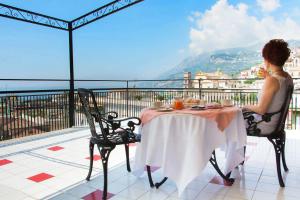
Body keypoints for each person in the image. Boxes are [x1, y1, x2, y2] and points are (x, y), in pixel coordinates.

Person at [243, 39, 294, 134]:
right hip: (276, 124)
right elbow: (277, 89)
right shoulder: (288, 77)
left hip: (264, 124)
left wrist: (244, 106)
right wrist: (268, 76)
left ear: (267, 59)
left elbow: (261, 109)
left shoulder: (272, 80)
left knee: (232, 125)